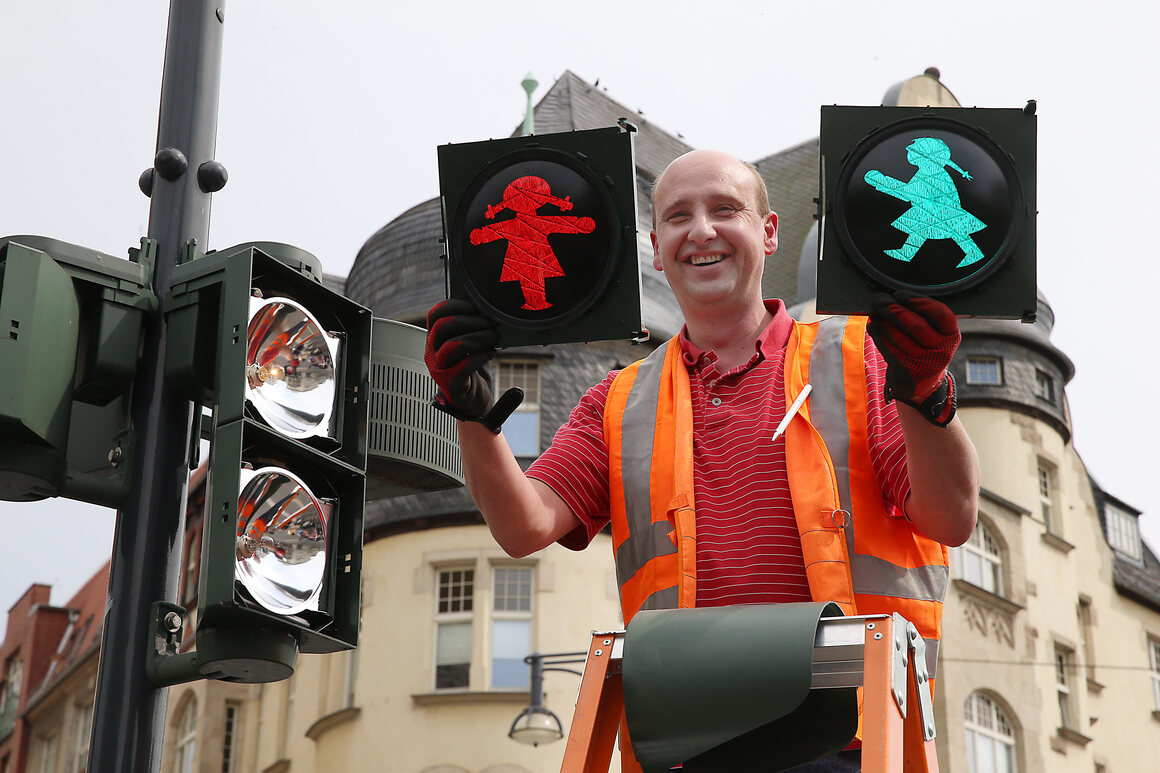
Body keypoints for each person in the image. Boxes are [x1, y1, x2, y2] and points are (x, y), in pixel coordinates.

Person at [425, 149, 980, 772]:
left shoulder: (861, 357)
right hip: (688, 744)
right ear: (656, 250)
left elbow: (953, 517)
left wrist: (929, 392)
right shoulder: (619, 398)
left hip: (854, 736)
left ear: (768, 234)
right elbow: (524, 525)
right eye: (678, 217)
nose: (702, 231)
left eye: (725, 209)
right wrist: (472, 415)